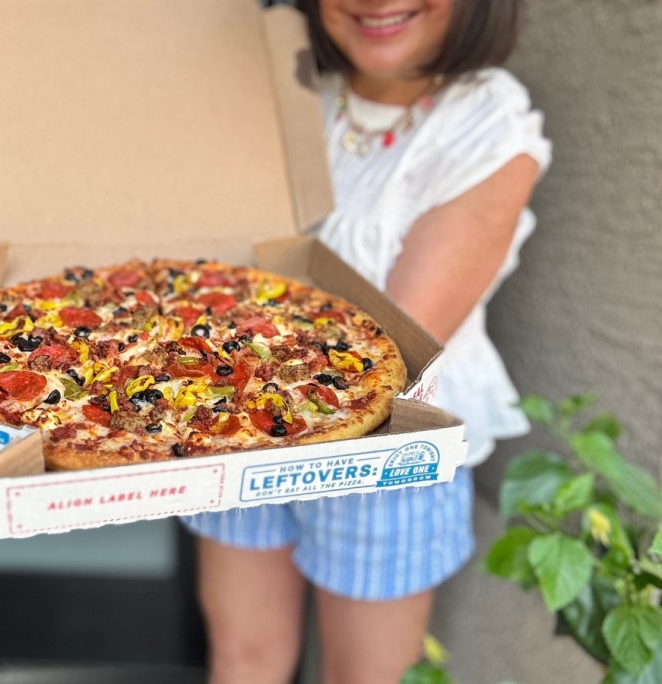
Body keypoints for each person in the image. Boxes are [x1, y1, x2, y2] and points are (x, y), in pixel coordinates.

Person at [180, 1, 552, 683]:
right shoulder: (287, 91)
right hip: (235, 420)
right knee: (242, 658)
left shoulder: (486, 121)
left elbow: (385, 354)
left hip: (388, 450)